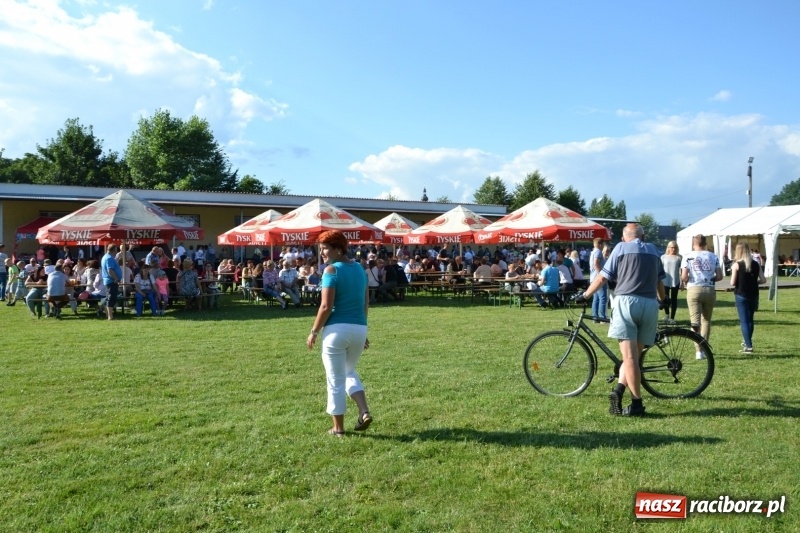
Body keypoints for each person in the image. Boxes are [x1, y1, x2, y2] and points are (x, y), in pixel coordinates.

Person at [578, 223, 665, 417]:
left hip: (626, 302)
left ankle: (637, 404)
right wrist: (663, 300)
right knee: (633, 358)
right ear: (642, 236)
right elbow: (660, 281)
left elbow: (602, 278)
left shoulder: (620, 248)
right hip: (650, 304)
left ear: (625, 237)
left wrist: (585, 296)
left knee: (630, 358)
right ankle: (618, 390)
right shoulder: (653, 250)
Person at [306, 230, 372, 437]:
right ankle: (364, 411)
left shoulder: (331, 271)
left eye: (325, 248)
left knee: (335, 379)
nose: (322, 253)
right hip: (359, 329)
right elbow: (365, 303)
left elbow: (326, 306)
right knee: (348, 372)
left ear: (338, 248)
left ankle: (338, 428)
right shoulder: (361, 269)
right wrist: (364, 330)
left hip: (337, 331)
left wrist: (314, 331)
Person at [680, 234, 723, 359]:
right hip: (709, 288)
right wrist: (710, 278)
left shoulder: (688, 256)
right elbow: (719, 276)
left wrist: (686, 280)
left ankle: (698, 350)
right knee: (706, 320)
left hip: (694, 288)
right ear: (705, 244)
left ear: (694, 244)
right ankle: (704, 348)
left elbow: (684, 276)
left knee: (695, 321)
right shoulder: (713, 256)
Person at [730, 242, 766, 354]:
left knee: (744, 321)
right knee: (750, 319)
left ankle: (749, 346)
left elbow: (732, 283)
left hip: (741, 294)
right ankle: (747, 341)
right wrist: (754, 282)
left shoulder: (737, 265)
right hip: (754, 294)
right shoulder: (756, 264)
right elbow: (763, 280)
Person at [660, 241, 682, 324]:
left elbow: (682, 270)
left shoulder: (679, 258)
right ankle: (666, 315)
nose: (673, 249)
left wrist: (682, 282)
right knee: (665, 298)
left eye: (675, 247)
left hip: (675, 281)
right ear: (668, 248)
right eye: (672, 247)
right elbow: (660, 269)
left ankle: (672, 318)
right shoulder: (663, 257)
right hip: (665, 281)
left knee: (674, 299)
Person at [101, 244, 123, 321]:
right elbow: (110, 270)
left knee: (109, 297)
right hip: (111, 281)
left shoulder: (105, 257)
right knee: (111, 298)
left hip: (109, 280)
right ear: (114, 250)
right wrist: (116, 278)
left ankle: (108, 315)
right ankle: (110, 316)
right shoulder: (109, 258)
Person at [589, 237, 607, 323]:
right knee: (603, 298)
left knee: (596, 298)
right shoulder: (598, 252)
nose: (604, 246)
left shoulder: (593, 252)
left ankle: (595, 318)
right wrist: (601, 273)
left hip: (593, 278)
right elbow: (596, 263)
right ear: (600, 244)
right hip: (598, 278)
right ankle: (602, 318)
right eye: (603, 244)